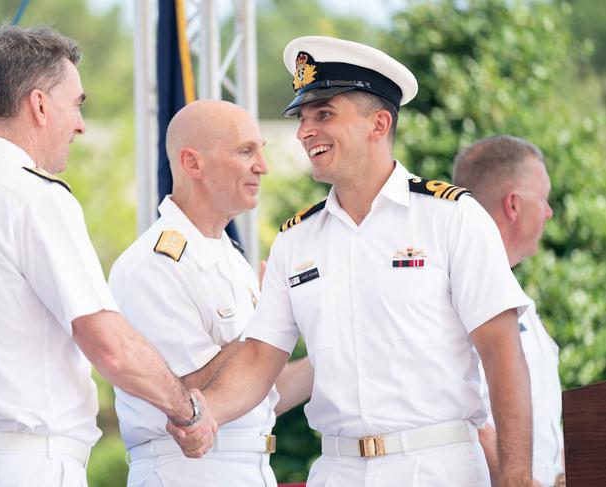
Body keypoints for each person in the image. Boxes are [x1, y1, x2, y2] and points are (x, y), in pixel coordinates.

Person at [171, 35, 534, 486]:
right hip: (336, 469)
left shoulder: (451, 217)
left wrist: (517, 475)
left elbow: (503, 353)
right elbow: (261, 356)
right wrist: (205, 412)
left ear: (378, 124)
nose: (305, 131)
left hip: (437, 466)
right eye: (302, 117)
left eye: (324, 114)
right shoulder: (295, 240)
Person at [0, 25, 215, 486]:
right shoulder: (34, 197)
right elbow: (108, 344)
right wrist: (188, 409)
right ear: (38, 104)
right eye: (75, 104)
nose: (80, 124)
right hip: (27, 464)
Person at [109, 99, 313, 486]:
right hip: (186, 470)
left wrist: (333, 345)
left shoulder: (231, 259)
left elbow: (260, 389)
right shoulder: (155, 264)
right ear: (192, 163)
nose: (262, 166)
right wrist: (275, 314)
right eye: (245, 150)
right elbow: (188, 396)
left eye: (261, 151)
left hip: (247, 467)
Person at [453, 135, 563, 487]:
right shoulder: (455, 295)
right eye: (543, 200)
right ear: (513, 205)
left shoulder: (519, 302)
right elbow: (469, 417)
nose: (549, 212)